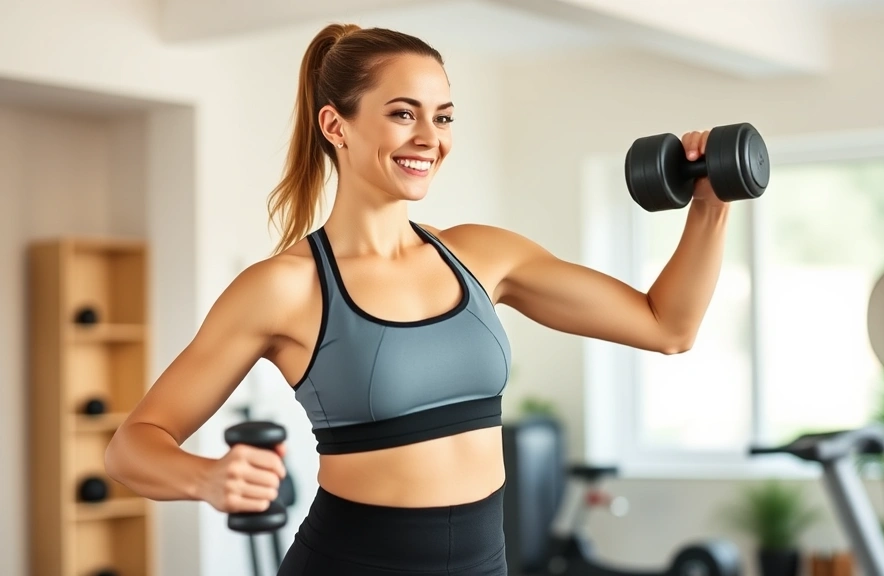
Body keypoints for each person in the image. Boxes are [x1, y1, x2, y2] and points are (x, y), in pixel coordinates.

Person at [104, 22, 731, 576]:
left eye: (444, 115)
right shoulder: (286, 287)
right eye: (404, 113)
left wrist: (709, 205)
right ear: (335, 125)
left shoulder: (484, 256)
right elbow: (132, 445)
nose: (430, 137)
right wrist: (208, 478)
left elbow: (666, 325)